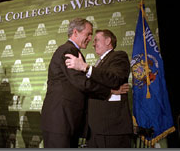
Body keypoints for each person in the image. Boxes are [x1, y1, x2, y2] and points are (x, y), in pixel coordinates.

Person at [40, 18, 128, 148]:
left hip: (65, 120)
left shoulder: (73, 51)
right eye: (88, 34)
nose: (90, 39)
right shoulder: (69, 50)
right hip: (61, 120)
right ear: (75, 32)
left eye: (93, 36)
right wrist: (109, 91)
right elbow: (82, 83)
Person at [65, 29, 133, 148]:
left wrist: (86, 68)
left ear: (108, 41)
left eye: (96, 40)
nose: (93, 43)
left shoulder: (118, 56)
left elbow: (114, 79)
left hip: (111, 128)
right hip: (95, 129)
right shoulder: (99, 63)